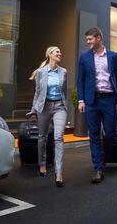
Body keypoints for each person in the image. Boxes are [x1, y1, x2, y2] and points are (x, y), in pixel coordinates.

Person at [77, 27, 117, 184]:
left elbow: (116, 78)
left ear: (98, 38)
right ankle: (98, 168)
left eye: (90, 39)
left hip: (109, 99)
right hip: (92, 101)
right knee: (94, 135)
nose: (88, 42)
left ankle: (102, 159)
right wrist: (81, 100)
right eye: (87, 39)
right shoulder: (84, 57)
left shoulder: (112, 56)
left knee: (110, 133)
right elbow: (80, 80)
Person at [28, 46, 67, 187]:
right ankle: (42, 164)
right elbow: (37, 93)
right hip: (44, 107)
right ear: (49, 55)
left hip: (59, 107)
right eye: (57, 51)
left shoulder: (63, 72)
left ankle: (59, 172)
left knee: (58, 137)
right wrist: (33, 109)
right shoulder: (40, 72)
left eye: (60, 52)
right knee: (42, 137)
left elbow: (64, 92)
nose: (59, 53)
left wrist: (64, 105)